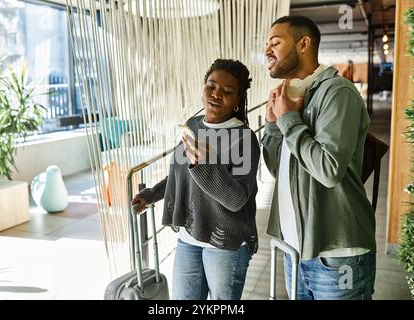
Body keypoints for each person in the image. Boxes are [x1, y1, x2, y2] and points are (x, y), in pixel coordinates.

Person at [262, 15, 376, 300]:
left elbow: (328, 170)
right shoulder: (292, 95)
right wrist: (274, 125)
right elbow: (280, 169)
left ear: (303, 44)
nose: (267, 50)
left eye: (275, 42)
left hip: (337, 258)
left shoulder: (338, 93)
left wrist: (288, 119)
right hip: (296, 252)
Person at [132, 59, 260, 300]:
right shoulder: (192, 126)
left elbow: (237, 199)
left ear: (237, 100)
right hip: (190, 236)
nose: (216, 94)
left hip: (225, 244)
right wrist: (151, 195)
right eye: (211, 85)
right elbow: (183, 174)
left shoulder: (243, 138)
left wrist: (206, 165)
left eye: (227, 91)